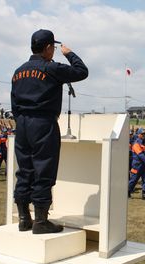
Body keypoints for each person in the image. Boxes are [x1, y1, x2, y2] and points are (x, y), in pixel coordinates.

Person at [11, 29, 88, 234]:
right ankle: (41, 222)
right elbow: (82, 71)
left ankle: (23, 218)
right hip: (43, 123)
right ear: (48, 48)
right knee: (43, 170)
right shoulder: (51, 68)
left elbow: (14, 105)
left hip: (23, 125)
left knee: (25, 170)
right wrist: (69, 53)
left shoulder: (18, 71)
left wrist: (22, 121)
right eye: (53, 47)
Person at [128, 128, 145, 200]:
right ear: (138, 135)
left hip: (144, 165)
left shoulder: (144, 143)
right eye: (142, 134)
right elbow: (140, 155)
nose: (144, 135)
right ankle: (127, 192)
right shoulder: (136, 144)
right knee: (134, 180)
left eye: (144, 134)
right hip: (137, 165)